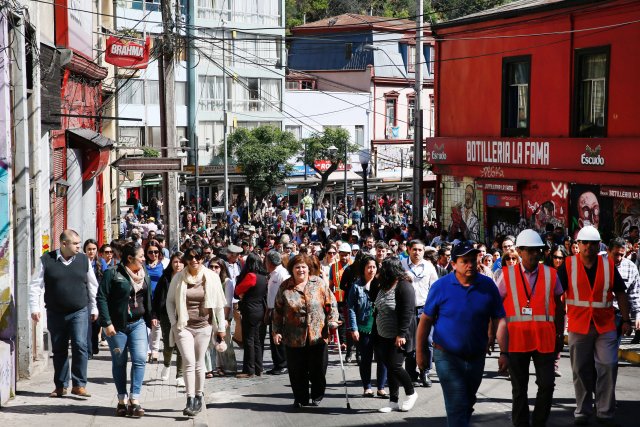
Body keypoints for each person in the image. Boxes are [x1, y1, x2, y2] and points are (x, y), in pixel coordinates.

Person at [417, 241, 506, 427]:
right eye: (465, 261)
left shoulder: (488, 285)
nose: (470, 264)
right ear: (453, 263)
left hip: (476, 355)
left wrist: (503, 352)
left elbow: (499, 318)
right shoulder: (440, 286)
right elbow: (425, 320)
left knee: (467, 400)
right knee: (457, 403)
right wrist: (420, 352)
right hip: (446, 355)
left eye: (473, 260)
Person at [556, 226, 632, 426]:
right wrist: (556, 321)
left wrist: (626, 320)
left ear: (599, 245)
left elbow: (621, 293)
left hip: (605, 325)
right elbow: (555, 293)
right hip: (578, 325)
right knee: (580, 369)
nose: (588, 246)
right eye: (584, 243)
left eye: (593, 243)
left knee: (608, 364)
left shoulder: (608, 265)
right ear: (578, 245)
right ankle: (583, 410)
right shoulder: (568, 265)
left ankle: (605, 411)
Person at [495, 230, 565, 427]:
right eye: (531, 250)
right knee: (519, 390)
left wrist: (560, 333)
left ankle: (539, 422)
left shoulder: (551, 274)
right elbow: (497, 311)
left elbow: (560, 307)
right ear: (519, 251)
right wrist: (502, 348)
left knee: (547, 385)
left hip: (545, 342)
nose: (536, 254)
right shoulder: (507, 276)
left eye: (539, 250)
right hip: (517, 343)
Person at [29, 229, 98, 398]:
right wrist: (34, 308)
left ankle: (79, 384)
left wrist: (94, 307)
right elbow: (35, 286)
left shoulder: (83, 260)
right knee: (59, 349)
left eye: (78, 243)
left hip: (79, 311)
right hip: (55, 312)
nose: (78, 247)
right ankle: (60, 386)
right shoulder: (46, 260)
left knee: (80, 345)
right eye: (75, 244)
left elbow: (92, 286)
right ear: (64, 244)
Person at [166, 246, 227, 417]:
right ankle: (189, 399)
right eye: (191, 257)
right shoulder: (178, 277)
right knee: (188, 361)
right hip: (183, 326)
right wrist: (173, 323)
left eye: (198, 257)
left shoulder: (212, 277)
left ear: (202, 259)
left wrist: (220, 328)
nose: (194, 260)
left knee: (199, 362)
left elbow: (218, 305)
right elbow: (170, 302)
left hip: (204, 326)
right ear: (186, 259)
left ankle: (199, 396)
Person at [272, 254, 339, 408]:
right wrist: (276, 331)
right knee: (297, 371)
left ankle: (317, 394)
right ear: (292, 270)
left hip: (318, 335)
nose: (301, 270)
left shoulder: (319, 283)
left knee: (318, 369)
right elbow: (277, 311)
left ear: (309, 269)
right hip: (293, 336)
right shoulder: (285, 286)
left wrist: (333, 319)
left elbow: (331, 303)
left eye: (303, 267)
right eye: (297, 267)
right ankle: (300, 398)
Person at [97, 242, 152, 417]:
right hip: (117, 326)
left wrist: (152, 317)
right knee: (119, 362)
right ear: (130, 258)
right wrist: (106, 322)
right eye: (141, 256)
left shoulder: (144, 274)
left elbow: (147, 298)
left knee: (140, 359)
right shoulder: (112, 273)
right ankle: (121, 400)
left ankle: (134, 400)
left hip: (138, 323)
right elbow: (102, 297)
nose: (144, 259)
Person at [373, 257, 418, 413]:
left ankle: (411, 393)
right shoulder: (383, 285)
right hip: (383, 334)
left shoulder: (404, 286)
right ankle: (393, 401)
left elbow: (408, 312)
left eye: (383, 267)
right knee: (390, 367)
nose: (380, 270)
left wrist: (401, 334)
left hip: (399, 335)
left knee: (395, 365)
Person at [347, 254, 388, 398]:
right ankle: (367, 387)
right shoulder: (356, 286)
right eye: (368, 267)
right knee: (365, 358)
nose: (371, 270)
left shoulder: (382, 284)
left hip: (381, 326)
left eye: (374, 267)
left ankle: (381, 387)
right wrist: (354, 328)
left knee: (382, 358)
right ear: (363, 269)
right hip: (364, 327)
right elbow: (351, 308)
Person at [401, 239, 438, 387]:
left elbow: (435, 288)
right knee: (410, 343)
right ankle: (410, 373)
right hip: (407, 309)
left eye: (420, 250)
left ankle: (425, 371)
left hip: (425, 309)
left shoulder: (429, 267)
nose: (417, 252)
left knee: (427, 342)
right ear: (408, 250)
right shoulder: (402, 265)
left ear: (424, 251)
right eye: (414, 249)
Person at [151, 252, 185, 385]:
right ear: (171, 263)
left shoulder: (187, 277)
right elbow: (157, 297)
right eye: (175, 261)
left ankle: (180, 375)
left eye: (181, 262)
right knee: (168, 344)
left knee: (182, 344)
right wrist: (155, 315)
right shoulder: (165, 277)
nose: (178, 264)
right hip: (166, 315)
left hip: (183, 315)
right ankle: (166, 364)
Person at [233, 253, 269, 378]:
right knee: (258, 340)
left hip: (250, 310)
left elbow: (237, 290)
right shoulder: (264, 277)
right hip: (260, 309)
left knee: (249, 340)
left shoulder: (251, 276)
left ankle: (249, 370)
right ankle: (258, 368)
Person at [208, 258, 237, 376]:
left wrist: (224, 319)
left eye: (216, 267)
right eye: (211, 267)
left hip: (223, 316)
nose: (213, 269)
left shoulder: (227, 282)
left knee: (223, 342)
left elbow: (228, 303)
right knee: (211, 343)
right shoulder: (208, 280)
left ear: (222, 268)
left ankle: (225, 367)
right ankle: (213, 367)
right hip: (211, 315)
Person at [265, 250, 290, 375]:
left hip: (280, 310)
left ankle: (283, 364)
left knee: (279, 337)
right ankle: (277, 364)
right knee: (273, 338)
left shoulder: (282, 274)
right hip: (272, 309)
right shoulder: (273, 274)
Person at [145, 240, 164, 362]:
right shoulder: (142, 264)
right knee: (146, 325)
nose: (153, 254)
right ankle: (146, 350)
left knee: (156, 325)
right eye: (150, 252)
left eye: (156, 251)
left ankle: (155, 349)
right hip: (145, 298)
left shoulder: (164, 264)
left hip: (159, 298)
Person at [84, 239, 103, 359]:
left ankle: (94, 346)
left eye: (93, 249)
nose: (91, 252)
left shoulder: (100, 264)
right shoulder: (82, 262)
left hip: (98, 297)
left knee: (96, 324)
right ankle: (89, 350)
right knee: (87, 325)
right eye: (89, 249)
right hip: (85, 297)